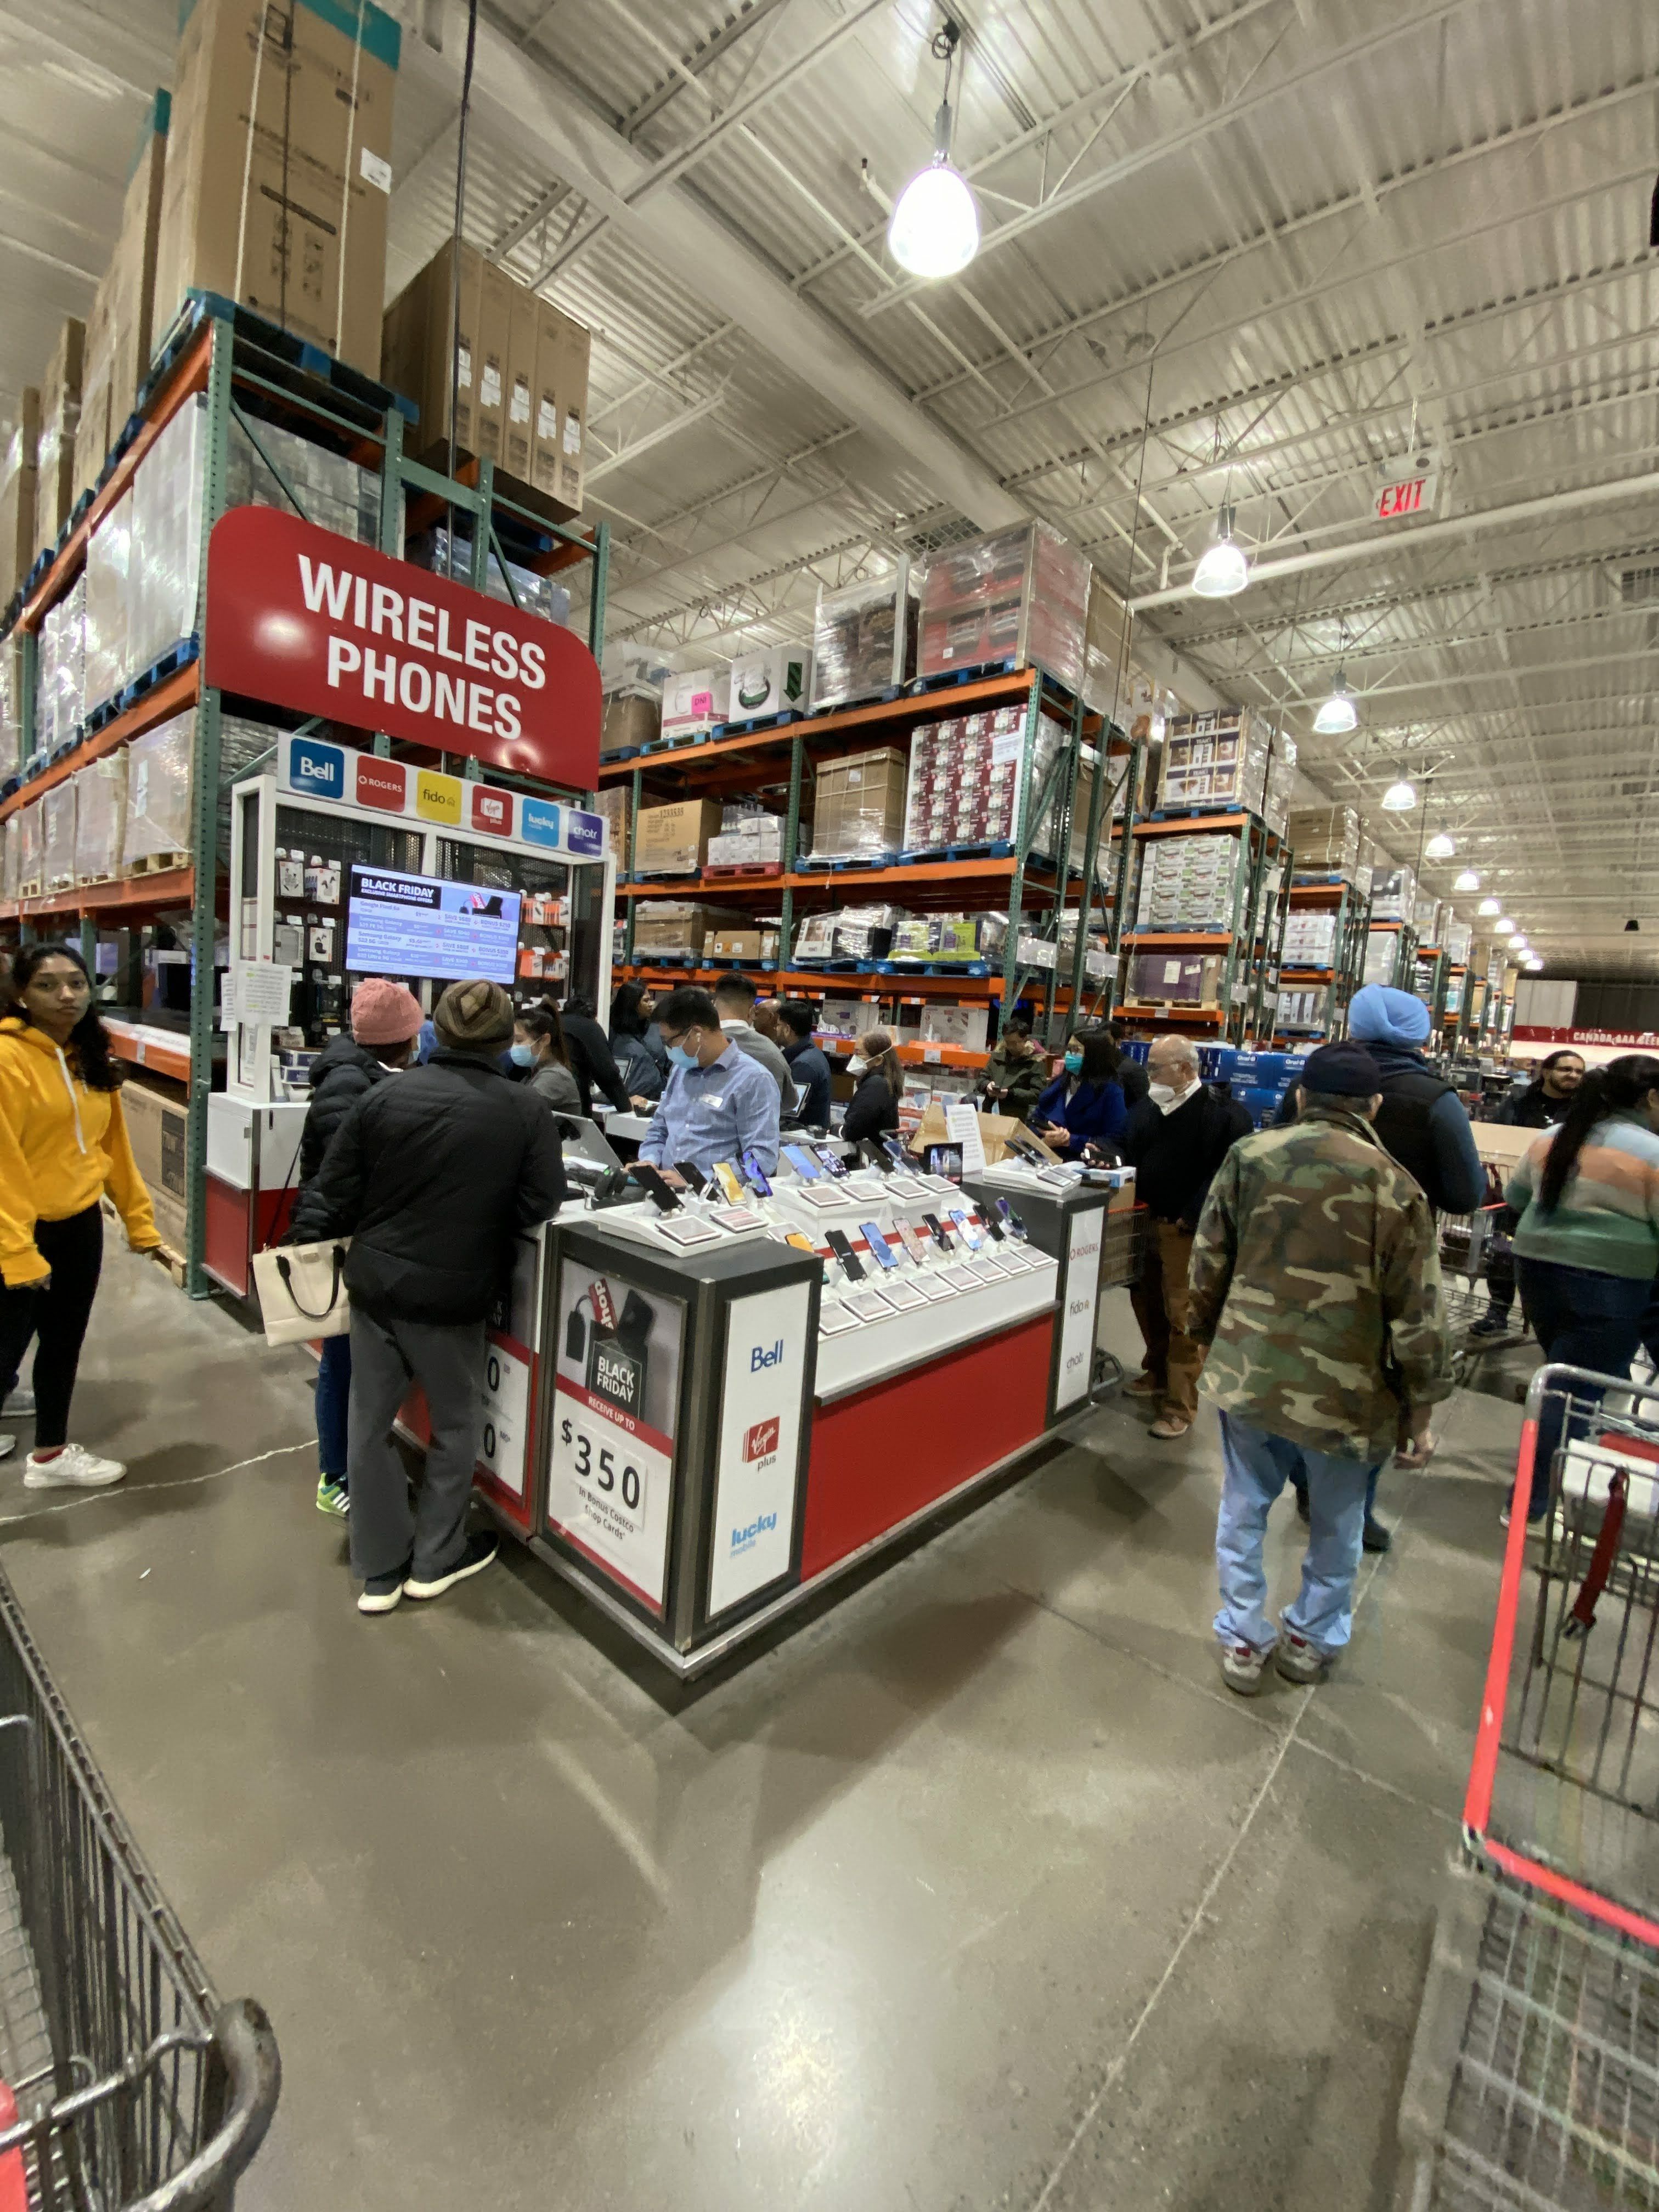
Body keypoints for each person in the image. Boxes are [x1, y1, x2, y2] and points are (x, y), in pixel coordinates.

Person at [290, 978, 567, 1615]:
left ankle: (379, 1570)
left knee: (368, 1426)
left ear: (435, 1032)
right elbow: (541, 1201)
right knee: (456, 1425)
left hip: (376, 1287)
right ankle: (436, 1558)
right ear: (502, 1039)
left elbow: (336, 1188)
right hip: (455, 1293)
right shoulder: (525, 1110)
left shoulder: (383, 1096)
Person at [1187, 1040, 1452, 1694]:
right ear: (1374, 1105)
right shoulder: (1396, 1186)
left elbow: (1209, 1258)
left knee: (1244, 1507)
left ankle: (1243, 1637)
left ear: (1302, 1096)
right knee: (1338, 1522)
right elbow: (1418, 1310)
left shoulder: (1250, 1156)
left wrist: (1202, 1338)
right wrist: (1421, 1407)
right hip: (1348, 1392)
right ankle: (1309, 1639)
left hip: (1251, 1372)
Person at [0, 942, 163, 1487]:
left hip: (79, 1224)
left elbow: (112, 1145)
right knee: (5, 1346)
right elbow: (4, 1165)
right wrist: (17, 1252)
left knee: (63, 1341)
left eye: (76, 983)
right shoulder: (7, 1058)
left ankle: (49, 1457)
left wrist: (138, 1218)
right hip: (19, 1230)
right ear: (22, 995)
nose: (66, 995)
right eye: (47, 985)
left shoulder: (89, 1056)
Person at [1504, 1054, 1659, 1523]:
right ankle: (1529, 1501)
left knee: (1562, 1378)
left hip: (1537, 1272)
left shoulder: (1554, 1137)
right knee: (1571, 1394)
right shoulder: (1652, 1151)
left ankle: (1550, 1481)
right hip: (1611, 1281)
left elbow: (1515, 1197)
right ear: (1652, 1098)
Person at [296, 977, 424, 1517]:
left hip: (358, 1241)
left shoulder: (357, 1075)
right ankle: (336, 1477)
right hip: (349, 1245)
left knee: (354, 1365)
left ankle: (355, 1465)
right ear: (404, 1038)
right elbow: (348, 1179)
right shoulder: (353, 1086)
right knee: (345, 1365)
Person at [1121, 1034, 1251, 1442]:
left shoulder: (1224, 1116)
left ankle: (1180, 1406)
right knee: (1146, 1302)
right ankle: (1157, 1373)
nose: (1149, 1076)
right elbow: (1125, 1146)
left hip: (1186, 1231)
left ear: (1185, 1068)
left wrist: (1190, 1217)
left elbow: (1225, 1174)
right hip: (1144, 1221)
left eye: (1155, 1068)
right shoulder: (1148, 1109)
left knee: (1183, 1317)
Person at [1471, 1048, 1585, 1336]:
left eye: (1578, 1071)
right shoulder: (1520, 1101)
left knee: (1555, 1262)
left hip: (1563, 1193)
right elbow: (1497, 1133)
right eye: (1566, 1069)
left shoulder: (1584, 1109)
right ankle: (1498, 1312)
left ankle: (1552, 1322)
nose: (1573, 1076)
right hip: (1515, 1187)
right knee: (1502, 1252)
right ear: (1546, 1072)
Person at [1346, 984, 1485, 1216]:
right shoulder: (1438, 1101)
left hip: (1307, 1230)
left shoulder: (1306, 1086)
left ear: (1355, 1025)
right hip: (1398, 1233)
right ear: (1418, 1033)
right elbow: (1464, 1198)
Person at [640, 985, 781, 1180]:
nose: (668, 1049)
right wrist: (649, 1161)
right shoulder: (680, 1071)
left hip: (717, 1195)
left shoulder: (754, 1080)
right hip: (666, 1187)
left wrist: (700, 1180)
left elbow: (762, 1158)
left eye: (669, 1042)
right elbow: (659, 1130)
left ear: (696, 1033)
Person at [1030, 1029, 1127, 1158]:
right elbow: (1035, 1120)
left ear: (1093, 1055)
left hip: (1082, 1162)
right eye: (1068, 1049)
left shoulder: (1110, 1091)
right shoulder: (1060, 1084)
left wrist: (1070, 1140)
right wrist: (1044, 1140)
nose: (1068, 1056)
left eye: (1076, 1050)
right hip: (1045, 1158)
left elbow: (1115, 1140)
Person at [712, 972, 793, 1105]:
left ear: (714, 1006)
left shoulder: (695, 1046)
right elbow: (790, 1103)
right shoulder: (771, 1052)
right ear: (752, 1012)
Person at [558, 994, 633, 1119]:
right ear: (593, 1016)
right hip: (572, 1105)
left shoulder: (554, 1023)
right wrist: (625, 1105)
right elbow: (607, 1074)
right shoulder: (589, 1027)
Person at [512, 1004, 582, 1115]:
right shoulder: (534, 1074)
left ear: (544, 1040)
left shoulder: (555, 1077)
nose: (514, 1046)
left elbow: (519, 1111)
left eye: (519, 1040)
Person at [775, 1001, 833, 1130]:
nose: (776, 1030)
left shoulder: (804, 1065)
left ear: (787, 1029)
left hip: (801, 1136)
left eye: (778, 1025)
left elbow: (788, 1114)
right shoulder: (809, 1055)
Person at [980, 1013, 1047, 1124]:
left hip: (1016, 1119)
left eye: (1014, 1043)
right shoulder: (997, 1057)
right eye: (1007, 1043)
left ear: (1025, 1039)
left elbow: (1037, 1094)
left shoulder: (1035, 1063)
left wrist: (1011, 1094)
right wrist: (987, 1086)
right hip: (990, 1115)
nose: (1010, 1047)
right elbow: (982, 1078)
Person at [607, 980, 667, 1104]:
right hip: (624, 1102)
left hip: (655, 1100)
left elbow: (667, 1063)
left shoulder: (656, 1029)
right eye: (646, 1001)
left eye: (650, 1000)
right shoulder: (611, 1032)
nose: (651, 1004)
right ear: (633, 1004)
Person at [841, 1029, 902, 1145]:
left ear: (878, 1060)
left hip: (871, 1153)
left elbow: (852, 1130)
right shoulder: (882, 1081)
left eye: (859, 1054)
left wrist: (836, 1129)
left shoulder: (876, 1085)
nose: (854, 1059)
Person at [1109, 1020, 1151, 1109]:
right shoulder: (1099, 1065)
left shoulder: (1132, 1070)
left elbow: (1141, 1106)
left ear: (1118, 1042)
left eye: (1106, 1041)